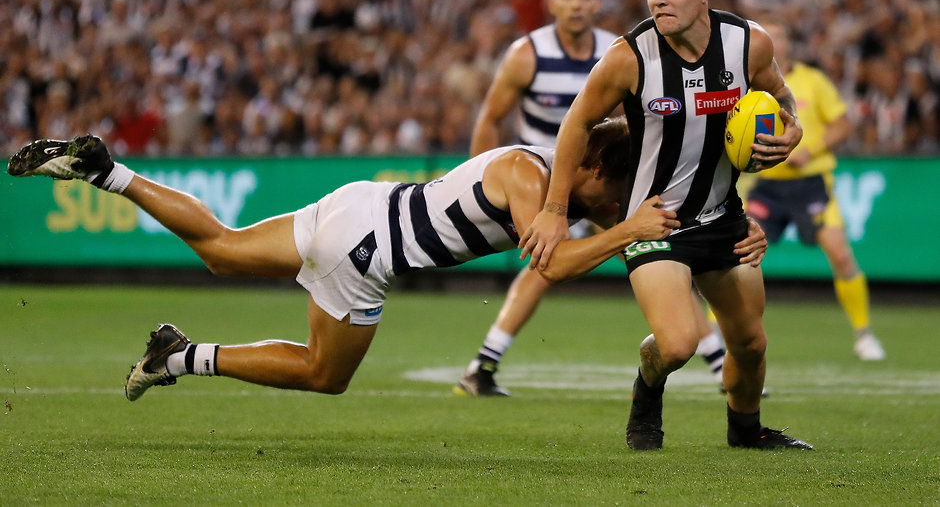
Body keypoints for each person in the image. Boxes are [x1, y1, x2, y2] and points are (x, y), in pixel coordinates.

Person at [8, 120, 691, 403]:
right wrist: (629, 227)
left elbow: (589, 238)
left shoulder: (536, 166)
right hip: (365, 250)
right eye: (614, 193)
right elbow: (552, 265)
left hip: (361, 206)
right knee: (324, 373)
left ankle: (108, 172)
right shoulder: (529, 177)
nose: (613, 207)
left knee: (220, 247)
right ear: (595, 166)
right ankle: (180, 357)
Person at [520, 0, 813, 450]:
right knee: (678, 344)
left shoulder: (750, 44)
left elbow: (780, 96)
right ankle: (647, 386)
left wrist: (794, 130)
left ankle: (746, 431)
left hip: (723, 216)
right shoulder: (628, 57)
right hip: (654, 221)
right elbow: (576, 124)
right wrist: (554, 209)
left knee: (750, 342)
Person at [458, 0, 733, 396]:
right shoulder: (527, 54)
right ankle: (483, 364)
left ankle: (719, 363)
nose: (576, 4)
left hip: (604, 180)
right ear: (552, 3)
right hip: (545, 183)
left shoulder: (621, 50)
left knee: (660, 254)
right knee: (546, 265)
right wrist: (476, 186)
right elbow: (491, 118)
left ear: (596, 4)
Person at [746, 20, 885, 361]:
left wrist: (813, 148)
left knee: (840, 254)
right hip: (765, 185)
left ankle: (864, 334)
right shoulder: (746, 84)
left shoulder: (813, 81)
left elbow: (842, 123)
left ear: (790, 45)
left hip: (811, 184)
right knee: (736, 259)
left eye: (779, 37)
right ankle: (722, 337)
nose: (773, 44)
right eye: (767, 38)